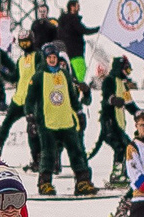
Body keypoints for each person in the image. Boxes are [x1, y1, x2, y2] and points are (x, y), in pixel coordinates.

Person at [27, 42, 96, 195]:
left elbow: (71, 96)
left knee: (76, 152)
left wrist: (78, 112)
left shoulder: (64, 74)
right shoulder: (38, 76)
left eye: (54, 57)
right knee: (48, 154)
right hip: (48, 123)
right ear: (44, 58)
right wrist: (30, 117)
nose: (52, 60)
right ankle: (45, 183)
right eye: (49, 57)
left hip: (66, 121)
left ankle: (82, 181)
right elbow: (29, 99)